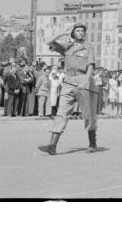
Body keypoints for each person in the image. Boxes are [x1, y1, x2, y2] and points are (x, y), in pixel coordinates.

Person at [38, 23, 98, 155]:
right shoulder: (67, 47)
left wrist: (86, 81)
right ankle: (52, 145)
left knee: (88, 114)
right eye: (78, 30)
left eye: (82, 30)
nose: (81, 32)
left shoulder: (88, 47)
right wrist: (61, 33)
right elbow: (48, 42)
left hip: (83, 80)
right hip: (68, 82)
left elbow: (91, 66)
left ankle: (92, 143)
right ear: (73, 33)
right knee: (62, 113)